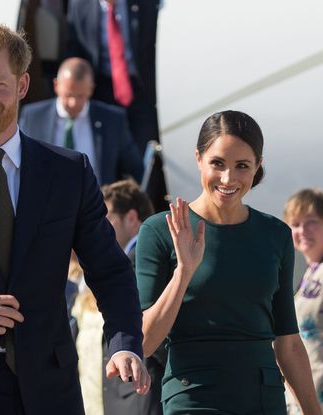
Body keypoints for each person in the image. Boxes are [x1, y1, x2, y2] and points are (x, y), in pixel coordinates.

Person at [0, 23, 150, 415]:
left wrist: (123, 343)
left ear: (22, 86)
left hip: (46, 390)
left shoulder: (69, 172)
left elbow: (110, 270)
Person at [135, 110, 322, 414]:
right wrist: (184, 272)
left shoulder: (275, 234)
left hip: (263, 399)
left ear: (258, 166)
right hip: (193, 400)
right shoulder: (161, 231)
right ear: (199, 158)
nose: (228, 178)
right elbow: (143, 341)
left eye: (242, 166)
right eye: (218, 163)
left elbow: (287, 342)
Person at [66, 0, 168, 212]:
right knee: (109, 155)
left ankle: (143, 214)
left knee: (144, 156)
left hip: (141, 90)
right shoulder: (80, 6)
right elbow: (75, 51)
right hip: (103, 88)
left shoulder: (145, 4)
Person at [73, 179, 163, 415]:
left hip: (137, 400)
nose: (96, 226)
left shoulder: (141, 265)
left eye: (106, 217)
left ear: (131, 218)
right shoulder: (96, 271)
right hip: (103, 401)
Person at [19, 57, 143, 186]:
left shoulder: (112, 120)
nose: (73, 103)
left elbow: (135, 169)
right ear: (56, 86)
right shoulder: (33, 117)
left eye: (80, 96)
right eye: (68, 95)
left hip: (96, 202)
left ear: (91, 89)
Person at [284, 188, 323, 413]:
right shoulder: (310, 274)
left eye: (311, 222)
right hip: (303, 400)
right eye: (295, 224)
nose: (302, 230)